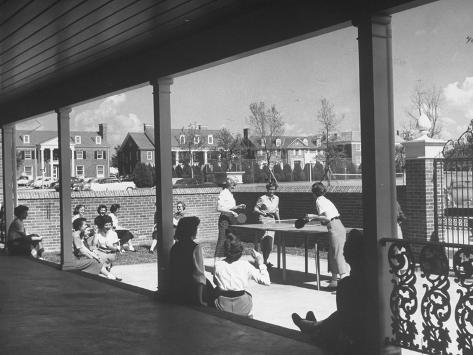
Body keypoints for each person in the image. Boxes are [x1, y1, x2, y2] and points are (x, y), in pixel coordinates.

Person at [291, 229, 365, 353]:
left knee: (340, 317)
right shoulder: (370, 279)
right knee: (339, 316)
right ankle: (315, 325)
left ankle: (314, 328)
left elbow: (346, 320)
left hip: (353, 341)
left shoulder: (346, 285)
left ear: (346, 255)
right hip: (359, 331)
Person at [214, 233, 270, 317]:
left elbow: (215, 282)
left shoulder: (218, 265)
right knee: (248, 297)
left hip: (223, 305)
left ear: (226, 250)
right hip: (242, 306)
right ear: (240, 251)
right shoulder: (245, 265)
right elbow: (266, 281)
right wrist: (260, 263)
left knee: (215, 293)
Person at [306, 182, 349, 288]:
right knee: (332, 253)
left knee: (337, 254)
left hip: (335, 227)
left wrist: (312, 216)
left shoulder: (319, 201)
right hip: (336, 225)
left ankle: (344, 282)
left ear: (313, 193)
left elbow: (326, 218)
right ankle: (334, 281)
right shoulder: (325, 200)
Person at [169, 216, 212, 306]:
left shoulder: (174, 247)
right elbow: (199, 275)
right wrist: (200, 301)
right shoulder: (196, 248)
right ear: (191, 230)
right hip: (191, 291)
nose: (198, 230)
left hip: (176, 290)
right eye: (196, 228)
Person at [215, 177, 246, 260]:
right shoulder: (223, 193)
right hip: (224, 219)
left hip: (231, 219)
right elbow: (218, 208)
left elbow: (228, 207)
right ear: (229, 184)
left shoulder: (230, 193)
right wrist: (232, 212)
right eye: (233, 185)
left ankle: (228, 260)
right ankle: (216, 262)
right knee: (222, 240)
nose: (234, 187)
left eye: (235, 185)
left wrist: (237, 206)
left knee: (231, 239)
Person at [253, 181, 280, 267]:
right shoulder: (262, 198)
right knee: (264, 242)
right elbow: (255, 209)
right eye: (270, 190)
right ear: (267, 189)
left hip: (272, 221)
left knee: (270, 244)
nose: (271, 191)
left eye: (273, 190)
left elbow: (276, 210)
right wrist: (262, 212)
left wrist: (279, 220)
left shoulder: (277, 198)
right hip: (263, 221)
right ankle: (264, 262)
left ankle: (264, 261)